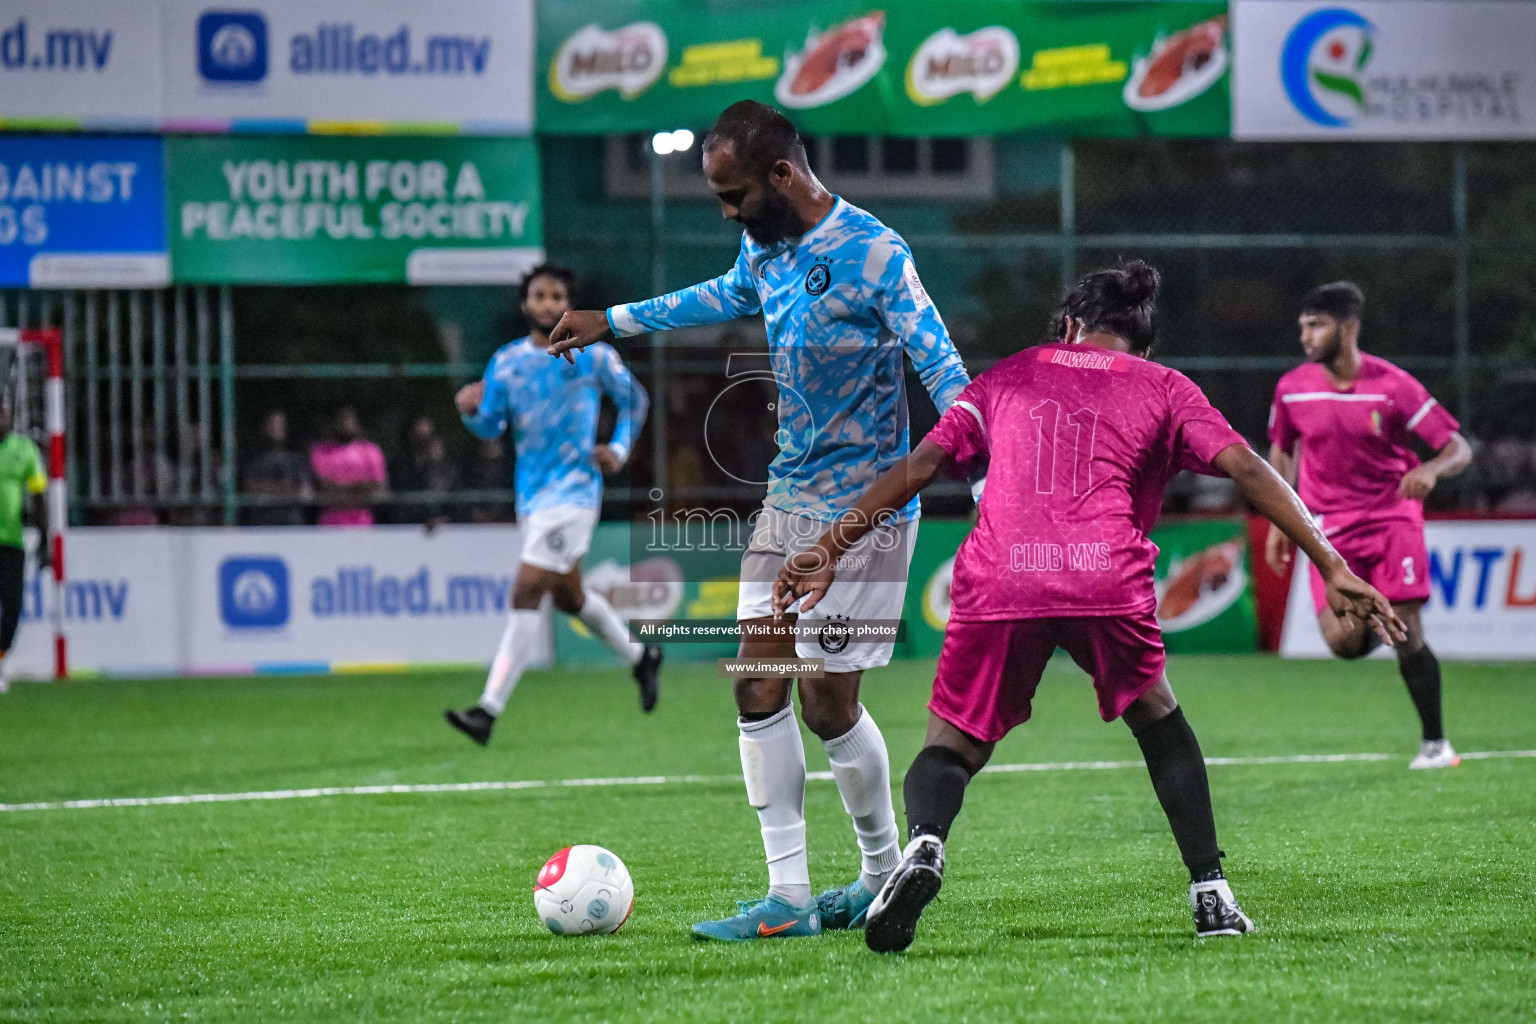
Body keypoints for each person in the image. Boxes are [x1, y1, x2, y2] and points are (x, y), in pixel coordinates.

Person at [774, 261, 1408, 952]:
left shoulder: (1007, 375)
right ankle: (1212, 897)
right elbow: (1249, 469)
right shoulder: (1165, 386)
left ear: (1071, 324)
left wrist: (831, 548)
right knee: (1160, 723)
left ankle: (924, 844)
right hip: (1103, 576)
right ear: (1143, 340)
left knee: (951, 742)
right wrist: (1332, 563)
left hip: (1002, 575)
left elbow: (921, 466)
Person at [548, 101, 972, 941]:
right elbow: (724, 292)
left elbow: (947, 373)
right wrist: (616, 320)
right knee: (755, 682)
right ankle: (787, 899)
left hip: (866, 511)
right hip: (789, 498)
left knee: (826, 703)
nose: (727, 211)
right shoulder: (763, 244)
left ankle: (882, 873)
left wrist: (991, 483)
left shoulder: (876, 254)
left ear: (783, 175)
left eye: (734, 193)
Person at [445, 264, 662, 745]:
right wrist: (470, 413)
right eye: (538, 295)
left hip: (577, 493)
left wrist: (619, 449)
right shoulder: (505, 363)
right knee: (569, 597)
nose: (547, 303)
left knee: (526, 590)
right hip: (532, 496)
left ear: (568, 304)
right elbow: (492, 428)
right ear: (526, 304)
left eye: (556, 295)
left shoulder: (594, 356)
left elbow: (636, 402)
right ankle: (641, 656)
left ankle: (488, 709)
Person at [1265, 282, 1472, 770]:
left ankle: (1436, 745)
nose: (1306, 336)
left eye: (1317, 325)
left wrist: (1429, 470)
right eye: (1303, 326)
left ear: (1350, 327)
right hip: (1327, 530)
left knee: (1407, 632)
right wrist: (1279, 520)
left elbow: (1457, 448)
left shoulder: (1395, 386)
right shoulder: (1292, 387)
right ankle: (1383, 611)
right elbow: (1281, 451)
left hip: (1391, 519)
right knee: (1344, 644)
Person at [0, 402, 48, 692]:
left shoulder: (24, 449)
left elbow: (38, 493)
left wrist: (45, 535)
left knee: (13, 606)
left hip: (12, 541)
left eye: (4, 413)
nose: (3, 418)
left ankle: (0, 658)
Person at [310, 405, 387, 527]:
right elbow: (323, 485)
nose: (346, 423)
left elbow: (377, 486)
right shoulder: (320, 451)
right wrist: (359, 487)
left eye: (349, 419)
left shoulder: (370, 450)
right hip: (329, 522)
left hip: (363, 522)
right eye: (342, 419)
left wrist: (340, 487)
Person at [243, 410, 311, 526]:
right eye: (272, 425)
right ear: (263, 428)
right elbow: (250, 487)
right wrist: (283, 488)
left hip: (291, 523)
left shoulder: (296, 459)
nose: (276, 429)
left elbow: (304, 490)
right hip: (262, 523)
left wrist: (271, 488)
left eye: (280, 425)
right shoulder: (252, 459)